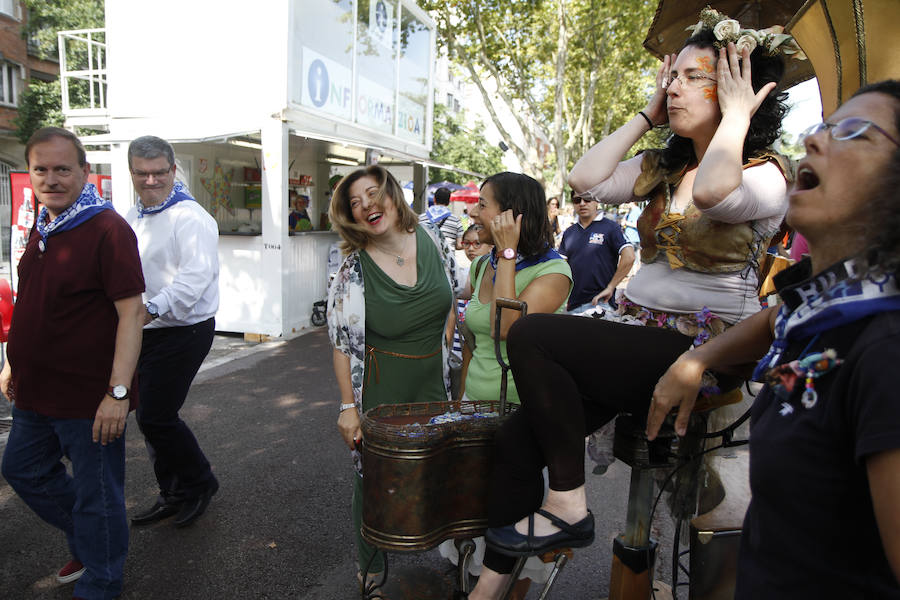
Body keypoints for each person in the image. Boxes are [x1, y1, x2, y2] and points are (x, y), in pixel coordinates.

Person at [469, 9, 796, 597]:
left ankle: (567, 501)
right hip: (632, 336)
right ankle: (488, 591)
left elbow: (719, 191)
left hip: (705, 348)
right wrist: (648, 114)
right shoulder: (663, 166)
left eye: (694, 76)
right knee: (516, 441)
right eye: (672, 75)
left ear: (738, 86)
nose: (672, 85)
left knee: (534, 335)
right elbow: (584, 178)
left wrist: (738, 116)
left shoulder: (765, 173)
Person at [650, 80, 900, 598]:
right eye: (823, 127)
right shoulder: (819, 311)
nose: (814, 141)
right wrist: (698, 358)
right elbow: (774, 317)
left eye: (855, 133)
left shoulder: (885, 350)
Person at [0, 127, 145, 599]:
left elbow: (132, 314)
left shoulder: (107, 228)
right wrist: (10, 363)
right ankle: (91, 539)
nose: (51, 178)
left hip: (88, 397)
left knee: (98, 495)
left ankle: (102, 580)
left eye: (63, 169)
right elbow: (31, 302)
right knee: (24, 471)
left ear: (85, 172)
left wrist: (118, 394)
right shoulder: (44, 224)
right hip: (34, 390)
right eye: (41, 169)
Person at [326, 165, 457, 587]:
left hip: (433, 382)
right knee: (375, 482)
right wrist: (349, 407)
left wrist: (448, 343)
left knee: (435, 470)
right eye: (355, 203)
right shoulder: (354, 269)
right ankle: (371, 569)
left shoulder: (434, 240)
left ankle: (445, 551)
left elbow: (453, 297)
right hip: (382, 388)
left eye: (372, 194)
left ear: (392, 194)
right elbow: (342, 344)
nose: (366, 206)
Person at [125, 136, 221, 529]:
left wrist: (151, 309)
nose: (151, 181)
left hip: (185, 329)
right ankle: (173, 491)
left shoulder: (191, 217)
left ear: (173, 169)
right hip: (144, 329)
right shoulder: (132, 215)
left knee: (155, 416)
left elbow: (195, 278)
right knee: (150, 418)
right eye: (141, 173)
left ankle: (199, 483)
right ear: (131, 172)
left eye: (159, 172)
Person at [460, 172, 572, 406]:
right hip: (472, 403)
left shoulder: (554, 272)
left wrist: (506, 253)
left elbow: (504, 329)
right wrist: (461, 400)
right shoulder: (481, 266)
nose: (473, 213)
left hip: (520, 410)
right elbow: (473, 346)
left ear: (511, 214)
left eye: (482, 205)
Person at [558, 192, 635, 313]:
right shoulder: (569, 232)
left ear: (597, 201)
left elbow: (629, 256)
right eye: (577, 200)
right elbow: (561, 266)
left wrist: (611, 287)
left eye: (587, 199)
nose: (582, 203)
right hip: (573, 305)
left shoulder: (611, 228)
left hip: (601, 304)